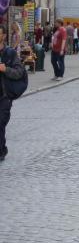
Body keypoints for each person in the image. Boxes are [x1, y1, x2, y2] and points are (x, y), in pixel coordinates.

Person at [0, 25, 26, 162]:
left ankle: (1, 151)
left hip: (4, 96)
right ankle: (2, 148)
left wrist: (5, 69)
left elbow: (19, 72)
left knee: (0, 123)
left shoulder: (10, 53)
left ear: (3, 36)